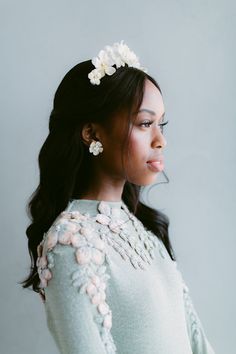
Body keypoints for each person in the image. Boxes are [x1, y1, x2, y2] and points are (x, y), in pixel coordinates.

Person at [20, 40, 215, 354]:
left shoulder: (145, 230)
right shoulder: (71, 244)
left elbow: (197, 342)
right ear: (93, 134)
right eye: (145, 123)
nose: (160, 140)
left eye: (161, 124)